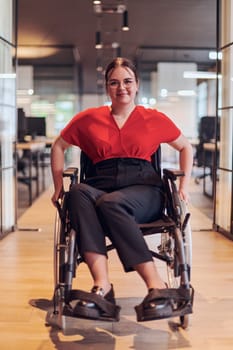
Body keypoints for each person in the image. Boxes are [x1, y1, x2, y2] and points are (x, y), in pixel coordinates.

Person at [51, 57, 193, 322]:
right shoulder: (89, 119)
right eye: (114, 82)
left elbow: (186, 146)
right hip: (100, 184)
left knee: (110, 203)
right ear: (107, 87)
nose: (121, 88)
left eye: (127, 81)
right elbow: (58, 146)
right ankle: (102, 286)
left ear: (137, 84)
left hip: (145, 188)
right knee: (78, 193)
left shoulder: (154, 118)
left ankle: (156, 285)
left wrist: (183, 187)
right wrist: (59, 187)